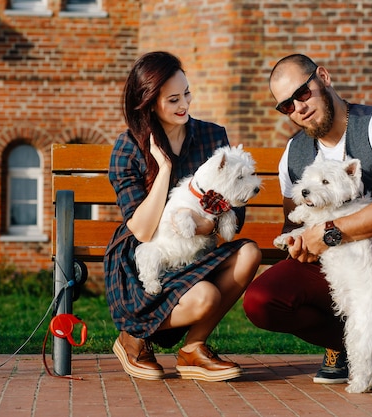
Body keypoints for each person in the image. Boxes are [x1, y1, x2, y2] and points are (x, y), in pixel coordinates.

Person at [242, 54, 372, 395]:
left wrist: (331, 232)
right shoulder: (294, 153)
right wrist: (298, 244)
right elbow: (290, 221)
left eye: (302, 93)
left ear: (323, 77)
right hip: (336, 269)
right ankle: (350, 346)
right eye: (286, 106)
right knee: (261, 300)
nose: (298, 109)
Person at [104, 51, 261, 382]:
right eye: (173, 99)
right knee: (206, 298)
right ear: (148, 102)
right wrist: (164, 170)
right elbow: (143, 231)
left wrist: (207, 223)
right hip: (145, 258)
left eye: (186, 93)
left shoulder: (211, 137)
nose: (184, 105)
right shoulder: (128, 148)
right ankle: (133, 337)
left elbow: (237, 212)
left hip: (195, 250)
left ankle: (193, 350)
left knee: (249, 252)